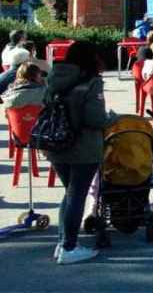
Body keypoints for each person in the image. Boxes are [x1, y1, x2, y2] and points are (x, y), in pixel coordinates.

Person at [46, 41, 107, 264]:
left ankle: (62, 242)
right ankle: (69, 247)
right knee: (77, 195)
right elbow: (95, 118)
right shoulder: (91, 81)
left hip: (56, 143)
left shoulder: (54, 77)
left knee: (70, 193)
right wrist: (110, 119)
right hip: (83, 146)